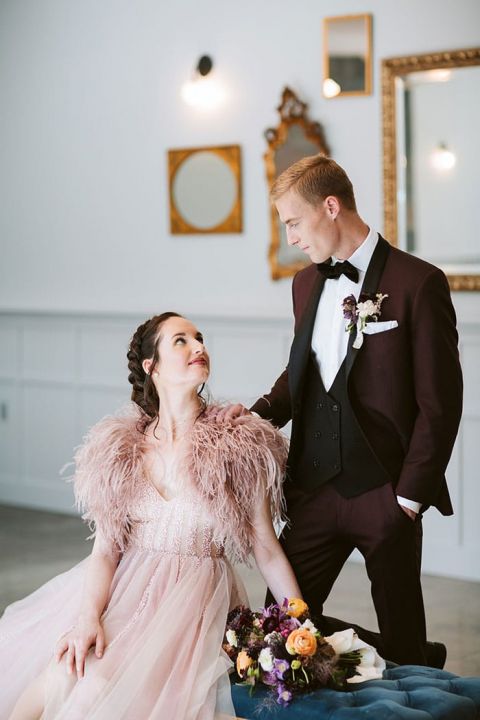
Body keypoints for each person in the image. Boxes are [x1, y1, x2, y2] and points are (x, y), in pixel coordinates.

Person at [217, 154, 463, 666]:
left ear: (330, 207)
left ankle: (413, 661)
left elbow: (439, 404)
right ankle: (398, 655)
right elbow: (302, 376)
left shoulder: (420, 282)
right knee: (279, 630)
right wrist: (255, 416)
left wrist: (408, 501)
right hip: (313, 490)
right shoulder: (305, 284)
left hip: (386, 494)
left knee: (403, 640)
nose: (291, 239)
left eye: (293, 222)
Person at [0, 312, 303, 720]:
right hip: (126, 591)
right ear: (152, 366)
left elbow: (266, 549)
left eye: (200, 338)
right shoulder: (121, 448)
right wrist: (88, 618)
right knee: (59, 678)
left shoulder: (238, 444)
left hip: (193, 608)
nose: (198, 347)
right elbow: (106, 551)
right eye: (181, 340)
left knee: (101, 697)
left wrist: (299, 623)